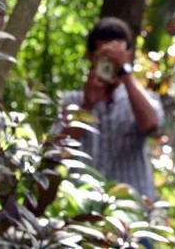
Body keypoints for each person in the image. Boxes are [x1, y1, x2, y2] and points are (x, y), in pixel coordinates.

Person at [51, 17, 165, 201]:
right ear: (90, 57)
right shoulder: (74, 101)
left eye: (116, 59)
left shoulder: (142, 99)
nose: (111, 65)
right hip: (83, 209)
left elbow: (152, 125)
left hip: (131, 213)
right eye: (105, 58)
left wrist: (125, 73)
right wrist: (87, 106)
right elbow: (56, 153)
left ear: (128, 56)